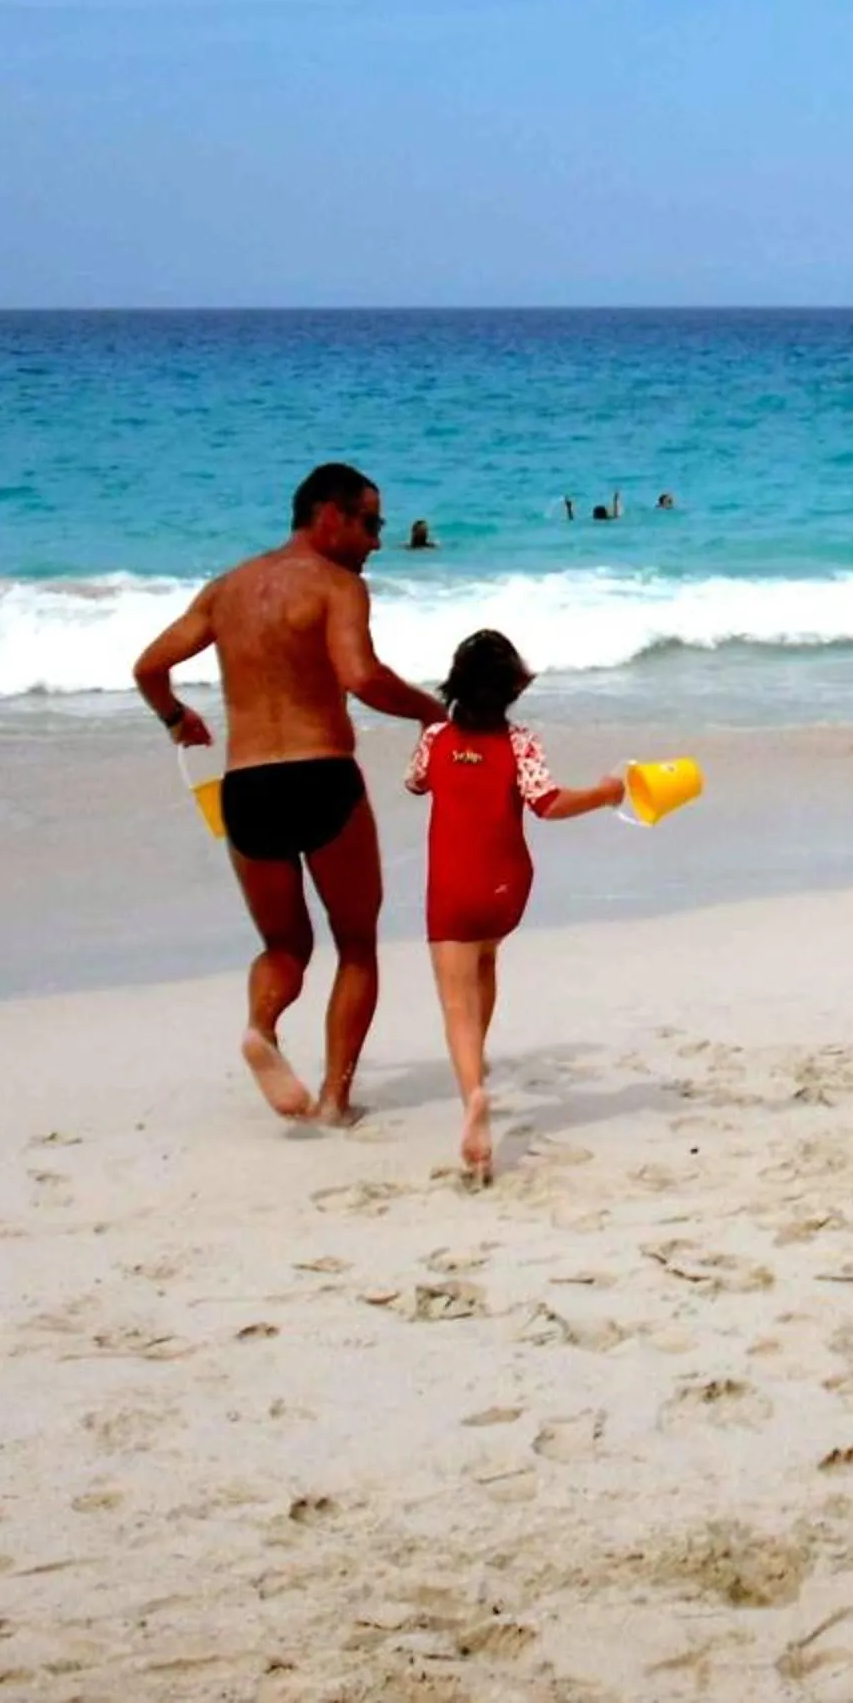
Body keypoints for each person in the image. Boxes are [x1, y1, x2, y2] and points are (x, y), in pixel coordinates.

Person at [134, 463, 448, 1126]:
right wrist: (429, 711)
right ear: (329, 515)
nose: (377, 541)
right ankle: (334, 1099)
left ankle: (261, 1027)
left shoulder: (226, 589)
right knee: (355, 944)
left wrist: (175, 718)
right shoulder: (338, 585)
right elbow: (360, 676)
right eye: (370, 523)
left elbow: (149, 667)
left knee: (284, 947)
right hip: (321, 777)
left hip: (246, 786)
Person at [403, 631, 624, 1181]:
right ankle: (477, 1063)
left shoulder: (436, 739)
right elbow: (547, 803)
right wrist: (604, 793)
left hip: (452, 888)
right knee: (485, 962)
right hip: (506, 886)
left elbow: (415, 783)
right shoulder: (521, 743)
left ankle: (473, 1093)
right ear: (513, 690)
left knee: (456, 1003)